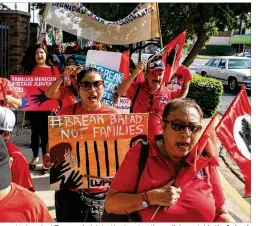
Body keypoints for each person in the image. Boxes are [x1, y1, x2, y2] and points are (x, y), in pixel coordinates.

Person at [104, 98, 235, 222]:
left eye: (193, 127)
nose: (186, 133)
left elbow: (221, 213)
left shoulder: (204, 159)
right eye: (178, 126)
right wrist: (150, 198)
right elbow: (111, 204)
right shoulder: (141, 153)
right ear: (163, 125)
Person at [54, 67, 120, 222]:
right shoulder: (65, 114)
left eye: (98, 84)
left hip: (100, 192)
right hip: (69, 190)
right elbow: (56, 147)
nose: (92, 89)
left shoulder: (114, 116)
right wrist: (51, 156)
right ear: (78, 89)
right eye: (86, 85)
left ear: (103, 87)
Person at [21, 44, 60, 172]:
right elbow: (23, 88)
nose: (39, 55)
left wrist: (56, 104)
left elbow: (58, 88)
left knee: (46, 134)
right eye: (37, 53)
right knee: (35, 132)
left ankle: (45, 158)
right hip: (33, 107)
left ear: (46, 54)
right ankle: (35, 156)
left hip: (48, 108)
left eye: (42, 52)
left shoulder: (54, 70)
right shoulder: (29, 70)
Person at [117, 55, 171, 140]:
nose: (157, 78)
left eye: (160, 74)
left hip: (157, 140)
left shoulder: (167, 92)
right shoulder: (137, 87)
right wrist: (135, 73)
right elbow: (120, 92)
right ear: (146, 75)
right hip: (135, 138)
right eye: (153, 74)